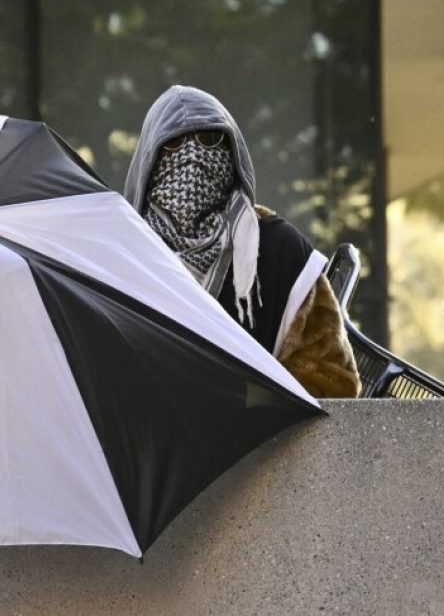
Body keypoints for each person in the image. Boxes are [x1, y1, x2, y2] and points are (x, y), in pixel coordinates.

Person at [124, 85, 360, 398]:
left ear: (232, 153)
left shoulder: (280, 251)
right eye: (174, 143)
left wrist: (242, 399)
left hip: (260, 442)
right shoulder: (123, 256)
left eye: (209, 139)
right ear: (150, 161)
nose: (192, 156)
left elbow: (334, 381)